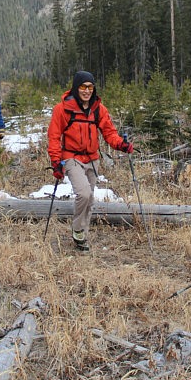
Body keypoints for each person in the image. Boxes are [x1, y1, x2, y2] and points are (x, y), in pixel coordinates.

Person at [47, 71, 133, 251]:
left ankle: (81, 238)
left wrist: (121, 145)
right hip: (71, 157)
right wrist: (56, 161)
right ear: (76, 87)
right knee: (84, 194)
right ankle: (78, 230)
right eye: (83, 87)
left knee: (90, 198)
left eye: (90, 87)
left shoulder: (98, 109)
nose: (87, 91)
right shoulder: (62, 109)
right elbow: (54, 137)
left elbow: (109, 133)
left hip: (93, 159)